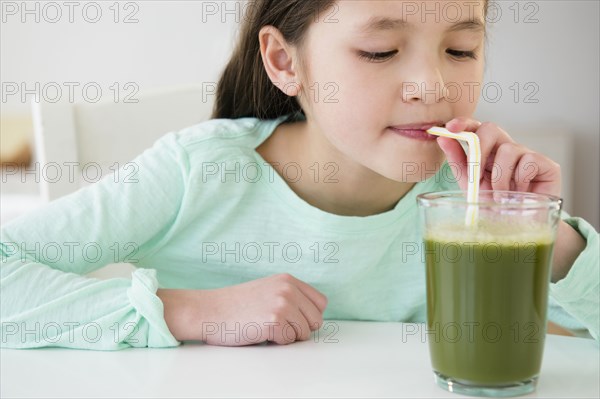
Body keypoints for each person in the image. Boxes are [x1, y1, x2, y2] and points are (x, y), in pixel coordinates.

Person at [1, 0, 598, 350]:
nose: (433, 88)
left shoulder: (466, 197)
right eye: (380, 52)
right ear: (286, 62)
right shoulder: (198, 172)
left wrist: (547, 232)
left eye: (461, 50)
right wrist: (184, 311)